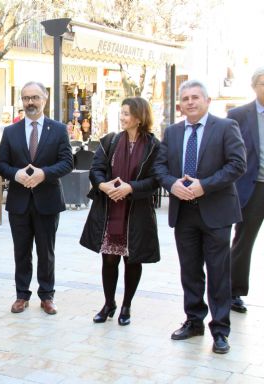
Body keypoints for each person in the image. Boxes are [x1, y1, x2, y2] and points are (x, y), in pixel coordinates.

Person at [154, 80, 246, 354]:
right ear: (180, 104)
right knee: (190, 272)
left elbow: (237, 164)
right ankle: (194, 321)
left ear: (207, 101)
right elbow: (159, 167)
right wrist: (172, 184)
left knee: (218, 273)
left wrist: (204, 184)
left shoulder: (226, 127)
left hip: (216, 211)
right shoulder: (171, 132)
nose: (190, 102)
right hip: (184, 213)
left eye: (195, 97)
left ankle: (220, 329)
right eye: (185, 98)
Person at [80, 97, 161, 326]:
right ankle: (109, 303)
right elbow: (96, 169)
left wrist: (131, 188)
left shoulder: (154, 146)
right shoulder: (110, 141)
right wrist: (103, 185)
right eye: (122, 113)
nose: (122, 117)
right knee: (109, 260)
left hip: (136, 212)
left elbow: (156, 179)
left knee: (133, 261)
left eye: (127, 113)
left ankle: (126, 305)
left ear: (139, 116)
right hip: (110, 209)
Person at [0, 81, 73, 314]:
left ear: (45, 99)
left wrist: (44, 174)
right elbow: (1, 164)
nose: (30, 102)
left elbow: (67, 162)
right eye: (26, 98)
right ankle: (22, 295)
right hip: (19, 201)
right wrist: (16, 175)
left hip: (47, 200)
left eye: (35, 97)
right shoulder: (10, 131)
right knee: (21, 251)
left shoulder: (58, 129)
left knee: (46, 251)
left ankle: (47, 296)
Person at [228, 66, 264, 314]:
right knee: (243, 241)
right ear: (254, 86)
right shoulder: (239, 115)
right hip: (254, 187)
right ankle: (233, 291)